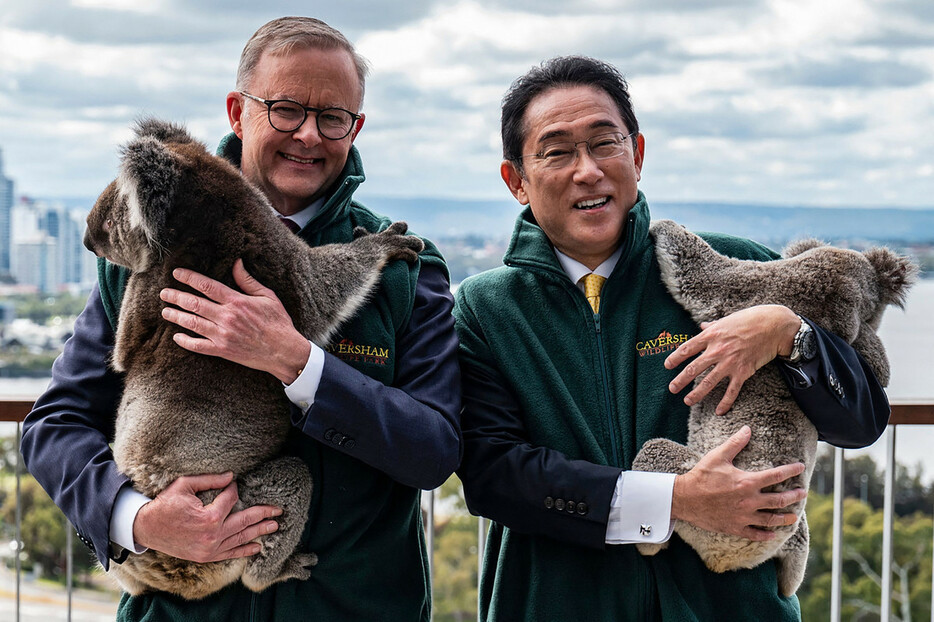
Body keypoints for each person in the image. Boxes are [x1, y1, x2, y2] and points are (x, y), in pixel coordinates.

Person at [22, 17, 461, 621]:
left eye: (332, 117)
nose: (308, 134)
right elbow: (55, 424)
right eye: (286, 109)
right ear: (238, 112)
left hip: (353, 604)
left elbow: (433, 450)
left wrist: (297, 362)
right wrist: (137, 518)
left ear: (355, 128)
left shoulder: (402, 266)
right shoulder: (149, 249)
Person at [453, 55, 889, 621]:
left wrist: (791, 334)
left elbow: (861, 422)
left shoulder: (736, 266)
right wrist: (673, 499)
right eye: (557, 152)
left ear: (637, 155)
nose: (588, 171)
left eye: (605, 143)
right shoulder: (487, 308)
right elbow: (493, 475)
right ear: (517, 181)